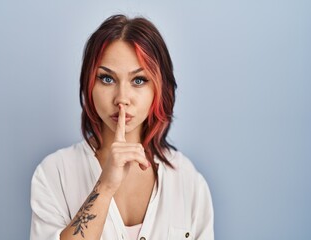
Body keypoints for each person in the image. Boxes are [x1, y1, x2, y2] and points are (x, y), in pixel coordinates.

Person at [30, 14, 214, 240]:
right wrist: (105, 186)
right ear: (89, 84)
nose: (122, 98)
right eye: (107, 79)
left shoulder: (188, 181)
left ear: (159, 88)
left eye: (139, 80)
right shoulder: (54, 173)